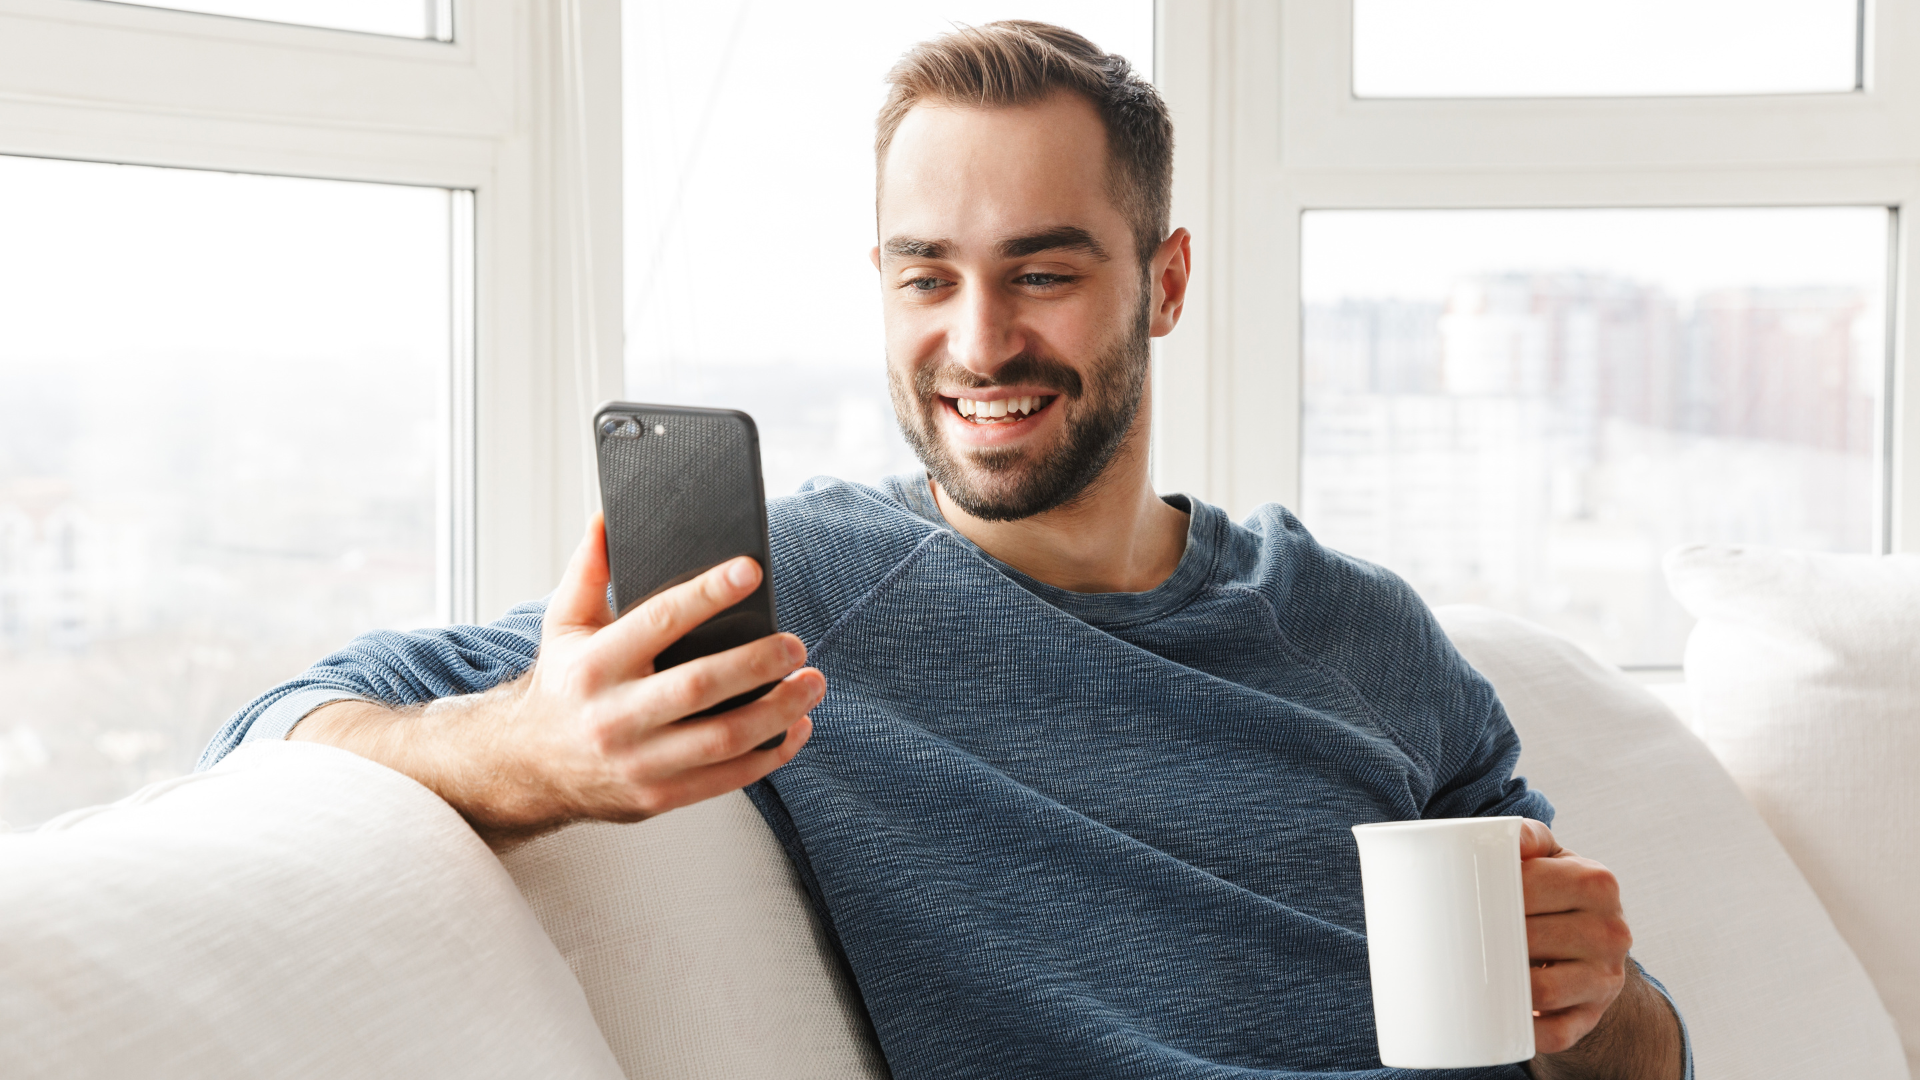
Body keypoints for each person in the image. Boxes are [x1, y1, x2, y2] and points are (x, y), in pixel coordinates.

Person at [200, 21, 1687, 1080]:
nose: (979, 342)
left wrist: (1602, 1001)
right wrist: (537, 752)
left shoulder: (1360, 632)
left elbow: (1630, 1055)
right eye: (930, 276)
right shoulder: (801, 592)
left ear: (1162, 283)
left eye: (1042, 272)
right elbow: (284, 723)